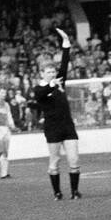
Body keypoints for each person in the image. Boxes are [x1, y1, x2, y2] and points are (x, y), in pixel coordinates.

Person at [30, 29, 81, 200]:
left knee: (74, 161)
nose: (53, 74)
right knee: (55, 162)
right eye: (49, 72)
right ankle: (57, 192)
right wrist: (53, 84)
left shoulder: (58, 82)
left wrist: (66, 43)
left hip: (68, 126)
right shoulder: (39, 89)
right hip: (52, 128)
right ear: (42, 74)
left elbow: (65, 63)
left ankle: (75, 192)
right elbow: (42, 93)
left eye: (53, 71)